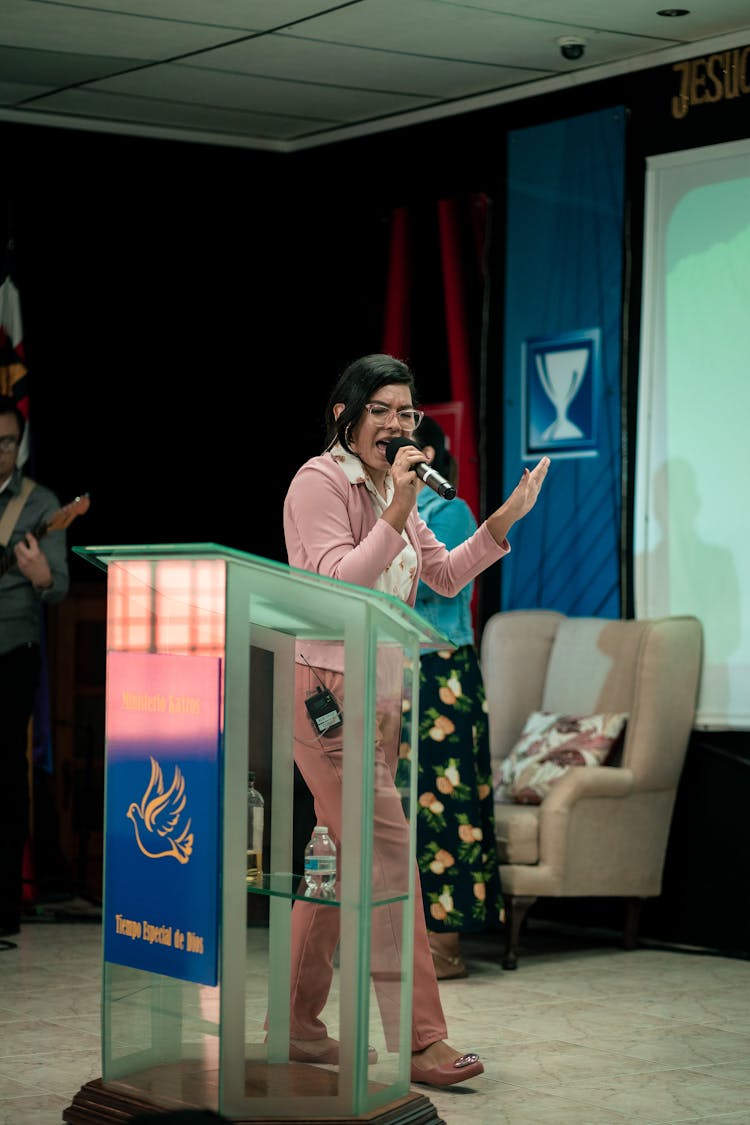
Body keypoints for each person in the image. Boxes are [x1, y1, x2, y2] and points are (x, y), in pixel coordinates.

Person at [282, 353, 549, 1088]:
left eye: (408, 412)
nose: (401, 425)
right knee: (391, 862)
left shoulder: (386, 487)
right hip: (327, 694)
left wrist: (501, 520)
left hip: (385, 695)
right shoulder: (320, 483)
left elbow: (441, 574)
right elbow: (334, 585)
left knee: (335, 866)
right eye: (384, 410)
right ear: (348, 413)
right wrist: (397, 509)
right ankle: (421, 1039)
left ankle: (296, 1027)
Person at [395, 414, 503, 981]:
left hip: (442, 675)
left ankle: (446, 947)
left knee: (443, 807)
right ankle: (400, 941)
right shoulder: (391, 511)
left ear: (427, 453)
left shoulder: (449, 512)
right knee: (402, 807)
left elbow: (448, 586)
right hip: (398, 673)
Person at [0, 395, 69, 937]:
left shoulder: (40, 502)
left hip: (12, 651)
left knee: (4, 776)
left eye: (6, 441)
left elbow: (59, 589)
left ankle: (4, 909)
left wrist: (41, 573)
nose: (0, 451)